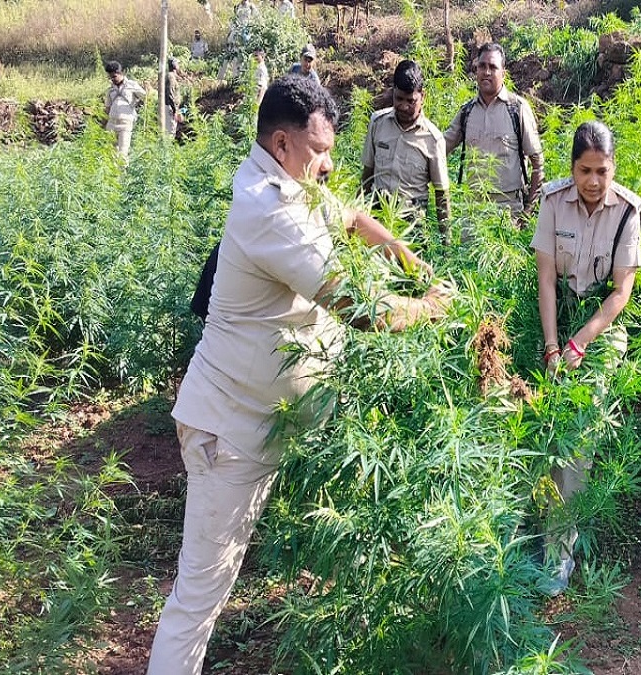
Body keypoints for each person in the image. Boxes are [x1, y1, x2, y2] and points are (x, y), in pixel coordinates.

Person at [146, 75, 452, 675]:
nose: (329, 164)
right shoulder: (267, 208)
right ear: (282, 143)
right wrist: (432, 307)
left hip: (284, 425)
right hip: (233, 434)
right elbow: (364, 311)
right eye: (320, 150)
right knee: (200, 598)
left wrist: (411, 263)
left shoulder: (293, 184)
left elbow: (352, 218)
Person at [530, 120, 641, 595]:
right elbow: (546, 280)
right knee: (537, 425)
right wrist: (552, 345)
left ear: (613, 167)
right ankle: (527, 532)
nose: (594, 181)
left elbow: (620, 293)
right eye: (584, 171)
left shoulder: (628, 211)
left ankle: (559, 553)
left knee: (579, 437)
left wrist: (579, 343)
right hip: (554, 318)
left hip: (600, 328)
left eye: (602, 171)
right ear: (572, 168)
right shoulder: (554, 202)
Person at [444, 42, 544, 226]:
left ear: (503, 73)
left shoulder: (517, 109)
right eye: (482, 66)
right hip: (473, 212)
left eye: (493, 67)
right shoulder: (467, 111)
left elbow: (538, 165)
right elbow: (440, 149)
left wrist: (527, 212)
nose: (486, 72)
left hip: (509, 211)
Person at [361, 60, 451, 240]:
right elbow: (367, 175)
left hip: (412, 226)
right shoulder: (377, 123)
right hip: (378, 217)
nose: (403, 106)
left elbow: (441, 193)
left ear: (422, 96)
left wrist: (446, 241)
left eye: (411, 101)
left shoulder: (433, 139)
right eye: (399, 99)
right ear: (393, 92)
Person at [103, 60, 147, 160]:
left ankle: (122, 170)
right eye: (110, 77)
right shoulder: (110, 90)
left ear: (120, 73)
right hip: (111, 124)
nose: (112, 79)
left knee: (123, 152)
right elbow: (107, 107)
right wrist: (104, 123)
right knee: (110, 153)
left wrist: (146, 90)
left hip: (125, 124)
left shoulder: (132, 85)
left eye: (114, 76)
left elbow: (146, 97)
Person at [164, 57, 181, 138]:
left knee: (170, 131)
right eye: (178, 64)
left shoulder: (171, 76)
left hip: (170, 107)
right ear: (174, 65)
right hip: (170, 107)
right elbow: (170, 93)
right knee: (170, 132)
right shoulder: (171, 76)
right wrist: (175, 110)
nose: (179, 66)